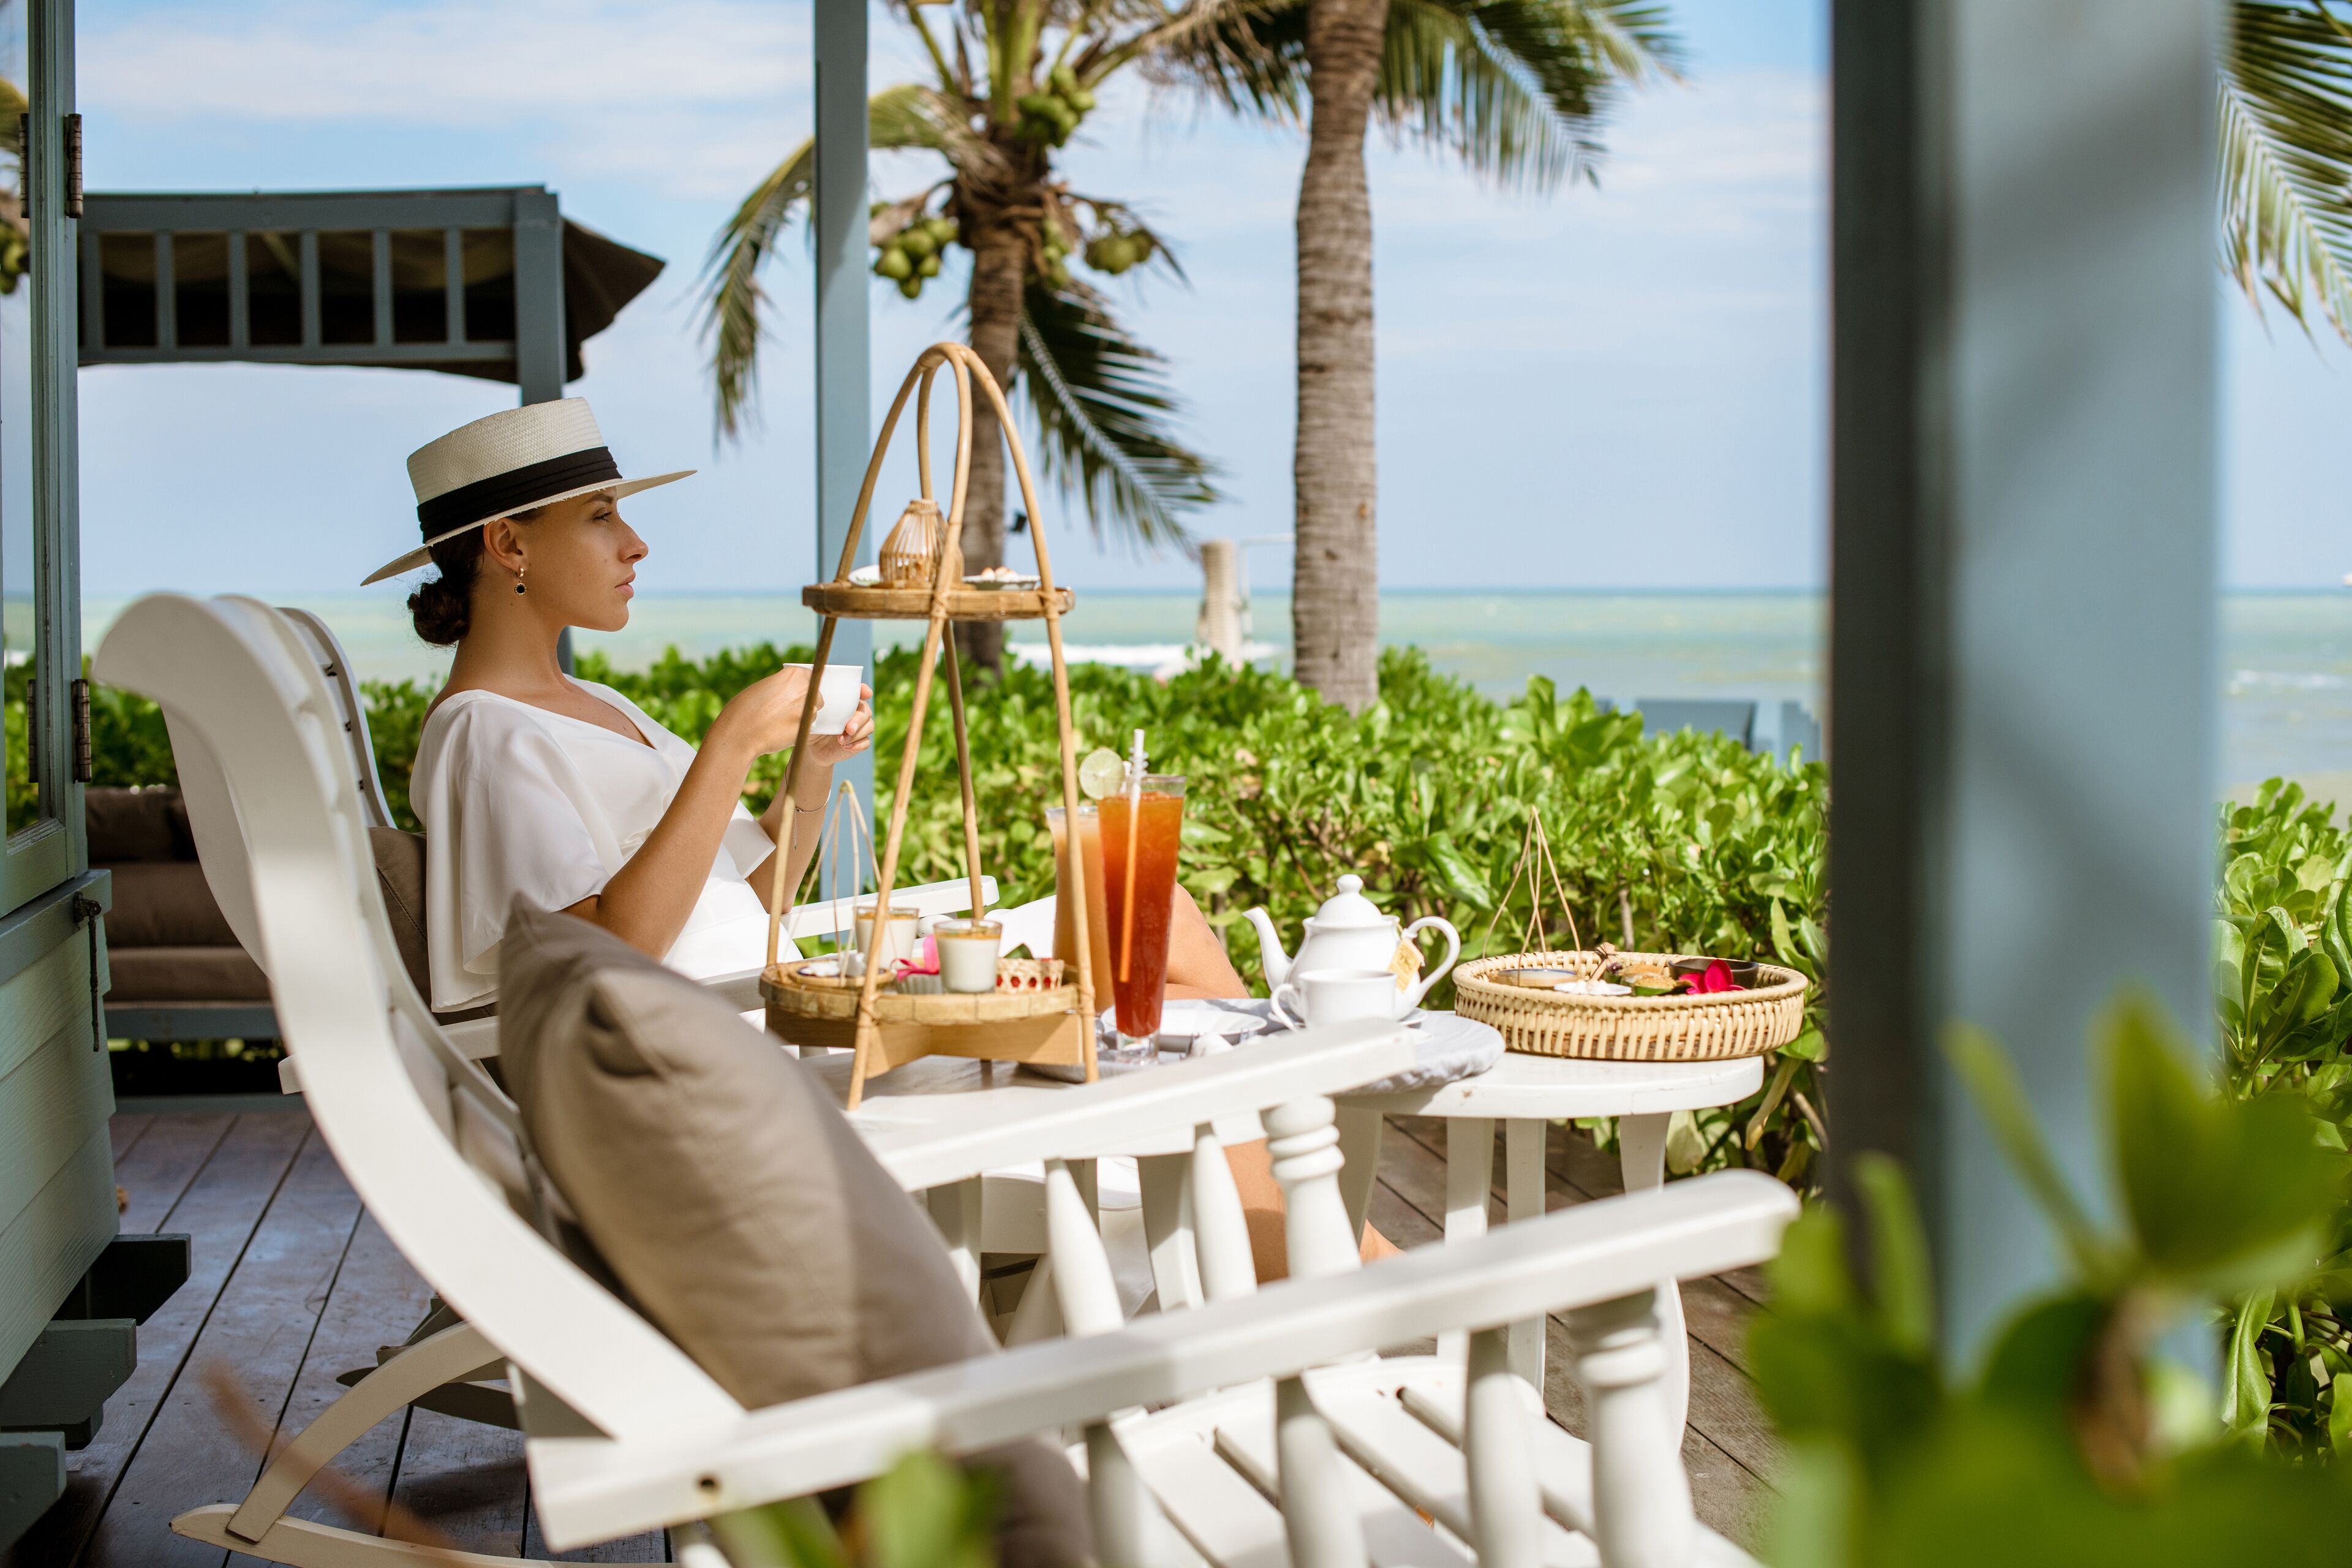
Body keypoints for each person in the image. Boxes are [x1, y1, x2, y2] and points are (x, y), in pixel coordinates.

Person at [366, 399, 875, 1012]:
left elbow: (762, 894)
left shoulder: (600, 703)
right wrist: (732, 743)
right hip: (692, 1062)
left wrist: (813, 763)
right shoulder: (484, 733)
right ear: (508, 542)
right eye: (601, 516)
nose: (636, 545)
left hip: (765, 1030)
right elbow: (602, 958)